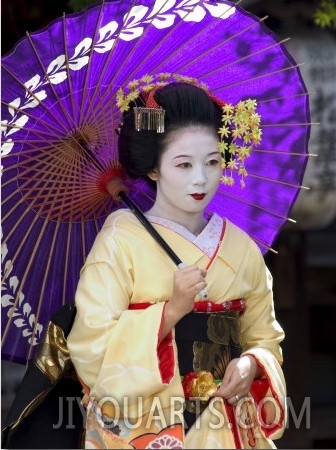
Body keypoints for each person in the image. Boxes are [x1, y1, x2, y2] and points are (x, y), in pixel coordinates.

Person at [67, 75, 287, 449]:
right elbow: (90, 347)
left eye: (212, 162)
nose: (200, 179)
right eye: (183, 165)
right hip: (148, 429)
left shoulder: (240, 246)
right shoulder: (121, 239)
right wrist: (168, 313)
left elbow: (264, 338)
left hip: (227, 423)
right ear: (153, 168)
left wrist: (252, 364)